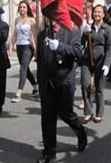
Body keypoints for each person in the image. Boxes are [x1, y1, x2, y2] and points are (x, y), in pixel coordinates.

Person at [35, 19, 87, 163]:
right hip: (47, 84)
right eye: (48, 15)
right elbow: (40, 61)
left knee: (66, 114)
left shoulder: (72, 32)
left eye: (54, 15)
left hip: (63, 82)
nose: (50, 19)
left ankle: (80, 131)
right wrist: (40, 84)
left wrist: (60, 46)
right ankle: (49, 153)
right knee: (47, 120)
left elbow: (78, 53)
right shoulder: (42, 35)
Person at [80, 4, 111, 123]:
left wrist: (107, 64)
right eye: (95, 12)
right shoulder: (89, 27)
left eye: (99, 12)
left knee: (99, 88)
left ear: (103, 14)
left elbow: (110, 47)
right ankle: (88, 111)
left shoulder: (107, 29)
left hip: (101, 61)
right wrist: (84, 33)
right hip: (87, 60)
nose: (97, 14)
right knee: (85, 84)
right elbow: (81, 44)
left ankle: (99, 112)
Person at [9, 0, 38, 103]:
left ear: (27, 9)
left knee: (22, 69)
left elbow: (35, 35)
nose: (22, 9)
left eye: (24, 7)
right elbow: (15, 34)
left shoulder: (32, 20)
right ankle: (35, 86)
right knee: (26, 69)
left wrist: (36, 49)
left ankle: (19, 93)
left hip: (28, 47)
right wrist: (11, 45)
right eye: (20, 7)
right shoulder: (17, 20)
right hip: (19, 47)